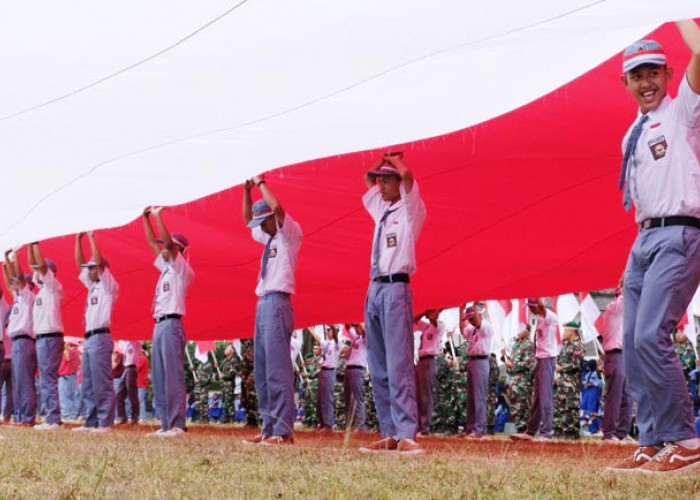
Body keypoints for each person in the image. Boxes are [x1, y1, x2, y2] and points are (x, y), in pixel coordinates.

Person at [608, 22, 700, 474]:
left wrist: (680, 10)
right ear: (625, 82)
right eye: (636, 76)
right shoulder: (633, 133)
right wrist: (634, 255)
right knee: (630, 341)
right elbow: (646, 197)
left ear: (667, 74)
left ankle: (685, 440)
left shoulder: (683, 109)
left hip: (681, 232)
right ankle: (652, 439)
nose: (645, 83)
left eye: (652, 74)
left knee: (651, 336)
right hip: (645, 239)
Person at [359, 152, 426, 455]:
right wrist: (380, 163)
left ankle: (406, 432)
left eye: (386, 180)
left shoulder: (410, 210)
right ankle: (388, 431)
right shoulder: (381, 210)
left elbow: (410, 177)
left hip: (396, 286)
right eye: (380, 180)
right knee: (378, 363)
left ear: (399, 183)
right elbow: (366, 179)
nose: (380, 185)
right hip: (374, 288)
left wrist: (396, 161)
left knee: (399, 362)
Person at [242, 175, 302, 445]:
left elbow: (278, 209)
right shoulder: (267, 237)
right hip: (263, 302)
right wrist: (246, 192)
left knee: (278, 368)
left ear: (270, 219)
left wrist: (260, 184)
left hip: (278, 301)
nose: (259, 227)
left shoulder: (288, 234)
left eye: (262, 221)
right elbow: (247, 221)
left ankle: (282, 431)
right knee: (264, 368)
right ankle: (269, 428)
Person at [143, 206, 194, 438]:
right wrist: (146, 219)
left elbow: (167, 246)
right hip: (159, 324)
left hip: (172, 324)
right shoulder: (165, 270)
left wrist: (158, 216)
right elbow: (153, 244)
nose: (162, 248)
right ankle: (165, 423)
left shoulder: (181, 268)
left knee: (173, 375)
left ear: (178, 249)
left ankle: (177, 425)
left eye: (168, 246)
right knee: (161, 375)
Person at [72, 231, 118, 433]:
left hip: (101, 336)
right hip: (89, 339)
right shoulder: (92, 287)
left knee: (102, 381)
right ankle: (91, 421)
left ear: (101, 269)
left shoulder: (108, 286)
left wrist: (91, 238)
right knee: (89, 382)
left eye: (92, 268)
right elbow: (79, 263)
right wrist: (77, 240)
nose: (88, 271)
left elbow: (98, 262)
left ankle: (105, 421)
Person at [28, 242, 65, 431]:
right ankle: (51, 416)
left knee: (48, 377)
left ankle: (53, 419)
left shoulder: (53, 286)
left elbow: (40, 265)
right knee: (45, 377)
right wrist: (28, 244)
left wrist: (34, 242)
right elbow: (32, 264)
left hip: (50, 338)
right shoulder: (42, 291)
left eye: (41, 271)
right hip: (43, 338)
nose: (37, 273)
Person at [511, 298, 559, 441]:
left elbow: (542, 307)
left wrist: (538, 292)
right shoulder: (539, 319)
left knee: (545, 397)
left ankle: (546, 432)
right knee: (537, 398)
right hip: (540, 359)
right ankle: (530, 431)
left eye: (532, 306)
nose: (530, 310)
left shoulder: (548, 316)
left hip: (547, 359)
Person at [3, 249, 37, 426]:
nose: (14, 285)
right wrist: (5, 260)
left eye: (19, 283)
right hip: (18, 342)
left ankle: (27, 417)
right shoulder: (18, 298)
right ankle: (20, 416)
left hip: (24, 341)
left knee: (24, 381)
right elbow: (9, 279)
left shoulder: (28, 296)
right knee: (18, 381)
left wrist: (15, 258)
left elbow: (17, 278)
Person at [600, 283, 634, 445]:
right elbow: (628, 291)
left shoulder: (624, 312)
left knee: (627, 395)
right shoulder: (613, 308)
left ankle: (622, 432)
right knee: (615, 396)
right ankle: (609, 433)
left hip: (625, 355)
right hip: (614, 355)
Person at [461, 304, 495, 440]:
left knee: (479, 397)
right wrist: (460, 312)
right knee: (471, 398)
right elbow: (463, 330)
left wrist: (474, 303)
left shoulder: (486, 326)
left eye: (472, 317)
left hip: (481, 361)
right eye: (468, 318)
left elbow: (478, 321)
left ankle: (479, 429)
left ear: (479, 315)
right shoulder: (472, 329)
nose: (470, 320)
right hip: (472, 361)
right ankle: (470, 428)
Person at [552, 322, 584, 440]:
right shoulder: (566, 346)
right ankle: (559, 430)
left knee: (570, 408)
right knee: (560, 407)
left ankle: (571, 432)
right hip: (562, 382)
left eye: (566, 330)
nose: (564, 333)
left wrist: (562, 368)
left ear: (572, 331)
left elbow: (576, 364)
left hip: (571, 383)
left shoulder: (577, 346)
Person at [413, 310, 443, 436]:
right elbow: (414, 319)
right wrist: (424, 310)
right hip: (420, 361)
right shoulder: (425, 327)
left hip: (430, 361)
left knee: (426, 396)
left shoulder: (439, 325)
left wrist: (432, 310)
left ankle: (425, 427)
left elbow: (433, 318)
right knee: (418, 395)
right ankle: (419, 425)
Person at [506, 326, 535, 434]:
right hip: (514, 379)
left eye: (521, 330)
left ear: (527, 332)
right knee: (514, 404)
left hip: (523, 380)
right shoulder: (516, 345)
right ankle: (518, 427)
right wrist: (509, 365)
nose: (518, 332)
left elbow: (529, 364)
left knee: (523, 404)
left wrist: (513, 365)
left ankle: (524, 428)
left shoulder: (529, 346)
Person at [310, 325, 339, 431]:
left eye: (329, 330)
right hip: (323, 371)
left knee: (327, 399)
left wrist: (310, 329)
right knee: (321, 399)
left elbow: (318, 338)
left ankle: (328, 424)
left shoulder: (335, 343)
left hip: (329, 372)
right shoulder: (329, 343)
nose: (327, 332)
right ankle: (322, 423)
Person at [343, 324, 368, 431]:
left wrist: (358, 323)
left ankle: (360, 425)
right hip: (349, 368)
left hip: (358, 369)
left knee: (358, 398)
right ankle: (351, 425)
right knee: (348, 398)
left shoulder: (365, 339)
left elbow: (364, 331)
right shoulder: (355, 338)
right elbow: (348, 326)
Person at [116, 340, 140, 425]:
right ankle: (122, 417)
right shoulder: (124, 342)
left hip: (132, 368)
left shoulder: (136, 342)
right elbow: (118, 344)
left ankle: (135, 417)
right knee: (119, 394)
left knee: (132, 393)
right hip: (126, 368)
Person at [58, 340, 81, 422]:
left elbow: (68, 359)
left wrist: (66, 349)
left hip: (66, 376)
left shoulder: (71, 352)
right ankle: (72, 414)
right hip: (70, 376)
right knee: (72, 396)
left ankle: (68, 414)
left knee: (65, 396)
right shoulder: (76, 352)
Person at [136, 346, 150, 422]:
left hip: (141, 382)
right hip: (141, 382)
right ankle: (141, 416)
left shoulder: (142, 358)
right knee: (141, 400)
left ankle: (143, 417)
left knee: (140, 400)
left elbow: (136, 368)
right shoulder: (144, 358)